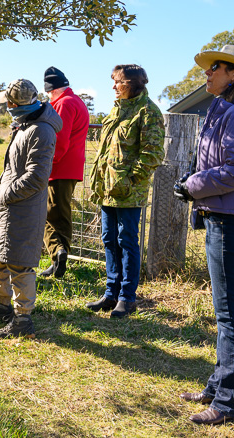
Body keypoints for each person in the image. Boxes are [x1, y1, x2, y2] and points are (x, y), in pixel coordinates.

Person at [173, 45, 234, 426]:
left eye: (214, 68)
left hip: (232, 223)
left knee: (230, 316)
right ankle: (217, 387)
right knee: (225, 313)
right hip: (223, 217)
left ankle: (228, 405)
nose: (206, 74)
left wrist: (191, 185)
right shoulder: (224, 110)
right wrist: (192, 184)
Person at [0, 79, 61, 338]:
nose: (7, 107)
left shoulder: (41, 131)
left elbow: (37, 176)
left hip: (22, 208)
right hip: (10, 209)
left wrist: (8, 195)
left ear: (15, 104)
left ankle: (22, 321)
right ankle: (3, 307)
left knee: (20, 265)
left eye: (8, 103)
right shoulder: (26, 125)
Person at [86, 65, 165, 318]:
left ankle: (127, 298)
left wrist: (130, 181)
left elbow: (152, 154)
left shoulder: (149, 112)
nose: (113, 86)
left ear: (131, 83)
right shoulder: (117, 108)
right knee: (109, 239)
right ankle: (111, 294)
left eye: (117, 82)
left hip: (129, 192)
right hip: (107, 189)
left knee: (127, 242)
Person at [38, 67, 89, 278]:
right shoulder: (76, 101)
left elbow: (59, 139)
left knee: (47, 213)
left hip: (59, 166)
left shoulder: (63, 104)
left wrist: (47, 163)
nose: (48, 96)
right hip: (71, 166)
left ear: (54, 89)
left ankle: (58, 252)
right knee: (61, 213)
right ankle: (59, 258)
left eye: (48, 92)